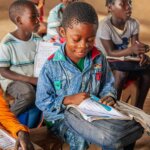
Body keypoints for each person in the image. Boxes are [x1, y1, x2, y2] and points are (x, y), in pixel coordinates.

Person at [36, 2, 143, 150]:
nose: (83, 45)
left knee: (116, 136)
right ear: (62, 32)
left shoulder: (98, 58)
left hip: (93, 113)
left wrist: (109, 96)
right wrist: (69, 100)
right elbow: (42, 101)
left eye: (90, 40)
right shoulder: (51, 65)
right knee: (80, 138)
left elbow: (108, 84)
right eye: (76, 39)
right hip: (61, 118)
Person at [96, 0, 150, 109]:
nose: (128, 7)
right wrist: (132, 50)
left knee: (148, 69)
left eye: (129, 3)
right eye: (122, 4)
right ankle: (113, 107)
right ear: (110, 7)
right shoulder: (104, 26)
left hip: (122, 61)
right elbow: (110, 52)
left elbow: (135, 46)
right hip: (105, 62)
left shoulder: (133, 23)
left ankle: (138, 108)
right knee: (121, 73)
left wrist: (141, 55)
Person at [0, 0, 41, 116]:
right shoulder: (7, 43)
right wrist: (30, 80)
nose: (38, 20)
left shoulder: (38, 40)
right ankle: (6, 121)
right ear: (19, 20)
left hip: (34, 79)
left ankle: (50, 122)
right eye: (33, 17)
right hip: (13, 81)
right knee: (28, 94)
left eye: (38, 16)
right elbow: (3, 71)